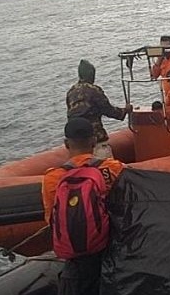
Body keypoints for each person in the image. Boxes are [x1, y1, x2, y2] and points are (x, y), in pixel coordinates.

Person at [42, 117, 125, 295]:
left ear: (66, 144)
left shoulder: (51, 179)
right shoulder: (113, 169)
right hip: (110, 253)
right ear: (94, 141)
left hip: (76, 265)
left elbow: (51, 220)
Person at [66, 59, 132, 158]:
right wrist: (125, 110)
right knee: (105, 163)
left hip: (78, 145)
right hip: (96, 140)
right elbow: (110, 111)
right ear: (91, 74)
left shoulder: (71, 92)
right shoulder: (94, 90)